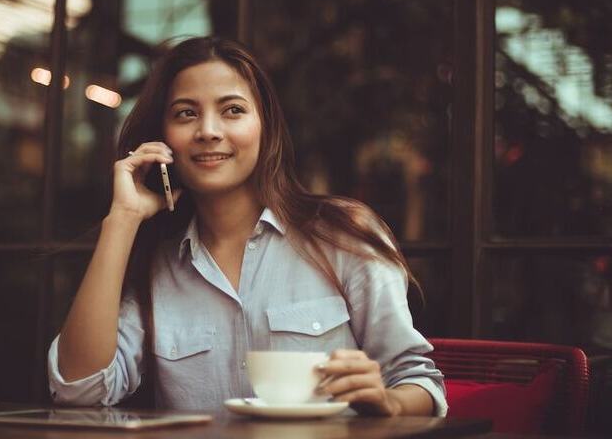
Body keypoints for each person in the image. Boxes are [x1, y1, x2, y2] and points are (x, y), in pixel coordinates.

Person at [48, 36, 447, 416]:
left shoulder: (341, 234)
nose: (207, 130)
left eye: (232, 110)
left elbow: (419, 382)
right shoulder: (156, 265)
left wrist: (389, 402)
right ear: (163, 138)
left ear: (265, 127)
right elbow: (78, 389)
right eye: (186, 113)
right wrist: (122, 219)